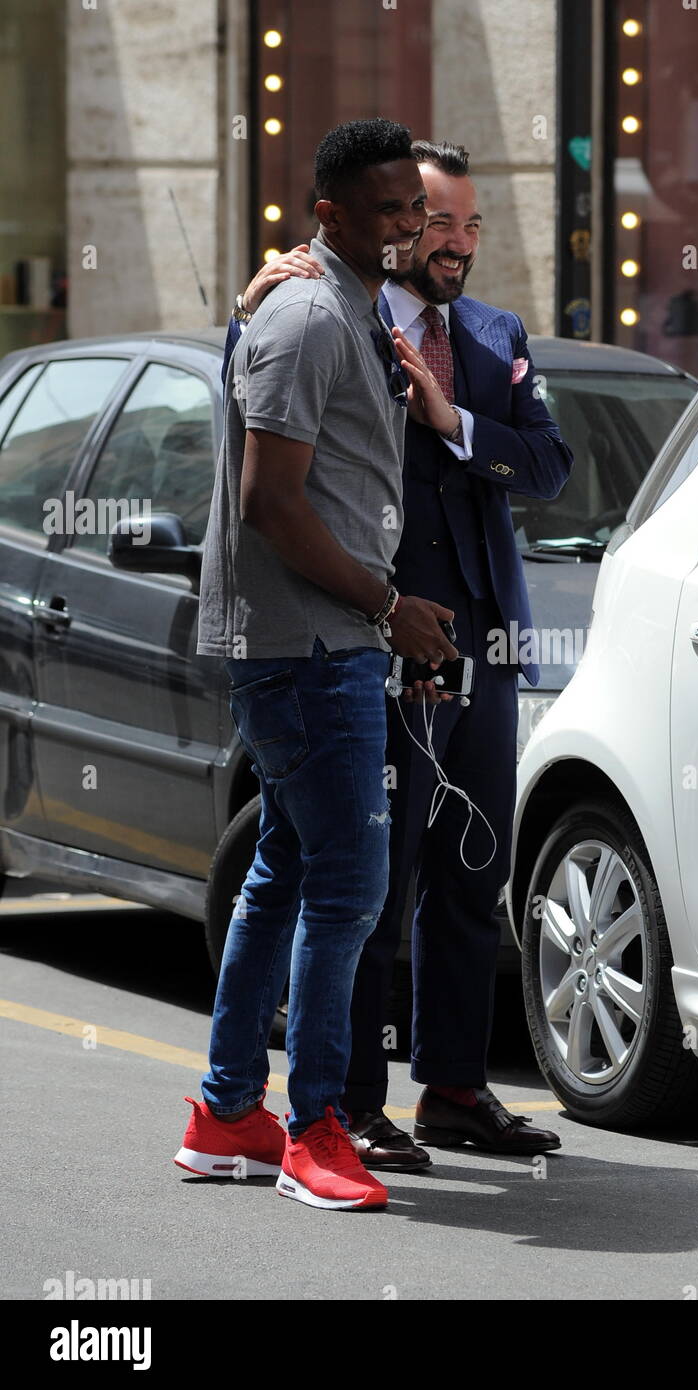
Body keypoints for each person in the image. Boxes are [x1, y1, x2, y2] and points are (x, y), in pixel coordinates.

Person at [229, 140, 573, 1167]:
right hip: (377, 633)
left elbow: (546, 466)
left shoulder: (493, 332)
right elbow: (258, 417)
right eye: (432, 220)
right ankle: (354, 1104)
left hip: (484, 637)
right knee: (374, 875)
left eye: (468, 224)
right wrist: (244, 307)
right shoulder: (327, 304)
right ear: (391, 220)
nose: (450, 241)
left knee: (474, 872)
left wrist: (454, 417)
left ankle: (455, 1088)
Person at [175, 118, 457, 1210]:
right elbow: (268, 502)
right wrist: (388, 606)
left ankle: (226, 1113)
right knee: (347, 885)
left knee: (285, 875)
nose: (408, 225)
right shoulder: (302, 310)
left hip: (326, 637)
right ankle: (314, 1130)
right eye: (387, 209)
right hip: (303, 645)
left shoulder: (342, 304)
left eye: (415, 209)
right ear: (328, 213)